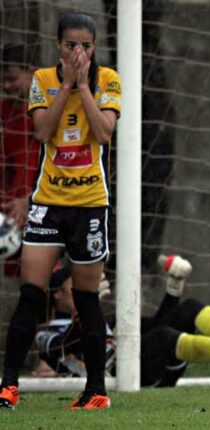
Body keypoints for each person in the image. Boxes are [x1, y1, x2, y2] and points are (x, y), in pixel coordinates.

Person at [0, 12, 122, 410]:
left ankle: (96, 391)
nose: (78, 52)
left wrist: (83, 86)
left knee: (86, 298)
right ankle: (8, 386)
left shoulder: (108, 80)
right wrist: (66, 85)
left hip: (90, 205)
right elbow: (42, 131)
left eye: (85, 45)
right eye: (71, 45)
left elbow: (103, 132)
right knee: (31, 293)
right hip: (48, 204)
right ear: (58, 45)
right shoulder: (43, 79)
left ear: (95, 47)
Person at [33, 255, 210, 388]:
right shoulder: (45, 335)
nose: (87, 286)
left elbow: (155, 324)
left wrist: (173, 289)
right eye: (78, 285)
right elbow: (66, 346)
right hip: (125, 378)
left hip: (147, 368)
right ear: (57, 295)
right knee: (162, 337)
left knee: (188, 308)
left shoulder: (106, 318)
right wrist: (86, 310)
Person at [1, 45, 41, 272]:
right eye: (2, 81)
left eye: (12, 79)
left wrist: (30, 199)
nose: (6, 86)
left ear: (32, 72)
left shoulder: (53, 109)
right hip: (13, 214)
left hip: (47, 207)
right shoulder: (5, 111)